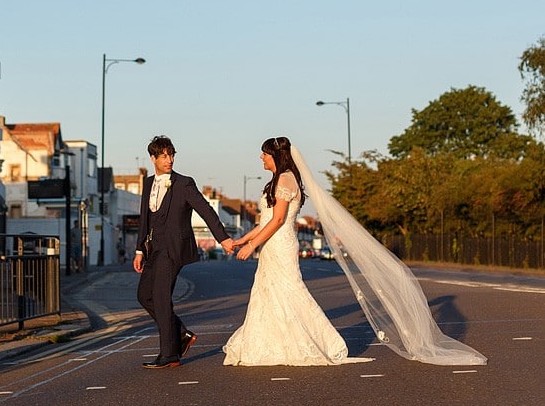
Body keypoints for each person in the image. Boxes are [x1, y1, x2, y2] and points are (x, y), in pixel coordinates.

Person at [223, 137, 487, 367]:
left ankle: (316, 343)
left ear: (275, 156)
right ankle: (270, 342)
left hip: (280, 244)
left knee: (289, 291)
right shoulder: (278, 180)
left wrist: (252, 245)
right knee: (269, 291)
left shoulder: (286, 179)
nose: (261, 157)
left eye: (264, 154)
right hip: (273, 244)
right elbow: (265, 221)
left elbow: (279, 220)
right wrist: (241, 240)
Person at [134, 136, 234, 369]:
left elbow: (206, 210)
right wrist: (139, 250)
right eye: (164, 156)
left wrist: (223, 238)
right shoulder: (148, 183)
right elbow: (144, 220)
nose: (169, 160)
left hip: (173, 249)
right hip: (153, 249)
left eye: (172, 155)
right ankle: (180, 333)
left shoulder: (184, 183)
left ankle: (169, 354)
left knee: (160, 297)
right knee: (144, 296)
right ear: (153, 158)